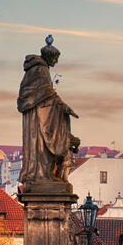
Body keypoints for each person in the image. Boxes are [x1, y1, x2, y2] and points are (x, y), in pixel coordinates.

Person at [17, 35, 79, 190]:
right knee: (40, 146)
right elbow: (46, 92)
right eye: (55, 59)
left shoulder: (38, 68)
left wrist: (61, 105)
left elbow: (46, 92)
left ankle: (43, 173)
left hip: (39, 112)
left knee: (41, 148)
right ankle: (41, 174)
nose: (56, 62)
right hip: (38, 116)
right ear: (50, 57)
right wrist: (63, 106)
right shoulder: (41, 69)